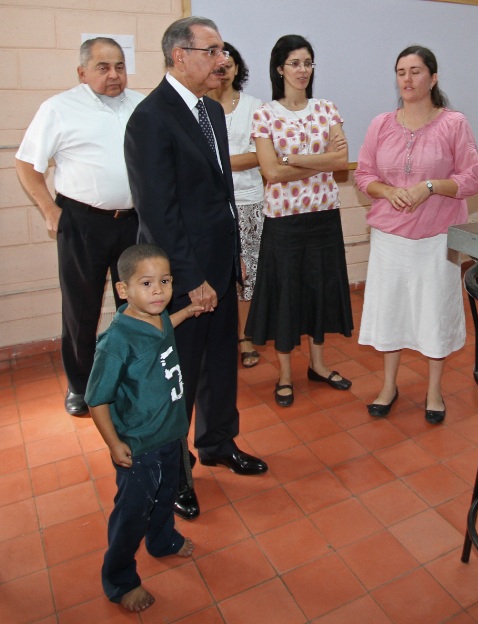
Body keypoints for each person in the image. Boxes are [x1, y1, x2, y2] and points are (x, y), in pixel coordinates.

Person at [124, 16, 267, 522]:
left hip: (218, 263)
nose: (222, 61)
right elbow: (158, 213)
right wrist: (191, 279)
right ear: (179, 55)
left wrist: (232, 258)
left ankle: (217, 443)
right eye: (212, 51)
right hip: (182, 276)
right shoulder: (150, 118)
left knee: (221, 361)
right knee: (178, 377)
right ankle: (176, 470)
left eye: (223, 51)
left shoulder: (210, 110)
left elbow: (219, 194)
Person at [15, 37, 144, 417]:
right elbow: (26, 164)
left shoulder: (140, 106)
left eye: (119, 66)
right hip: (82, 222)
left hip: (134, 221)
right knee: (81, 308)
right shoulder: (59, 109)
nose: (113, 74)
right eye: (103, 67)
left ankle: (133, 377)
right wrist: (49, 210)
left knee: (136, 303)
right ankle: (80, 385)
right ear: (82, 72)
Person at [354, 45, 478, 424]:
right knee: (390, 310)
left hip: (437, 240)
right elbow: (363, 175)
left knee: (434, 312)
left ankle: (434, 391)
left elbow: (472, 179)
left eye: (415, 71)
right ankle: (388, 386)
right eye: (401, 72)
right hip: (390, 240)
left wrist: (430, 186)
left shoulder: (454, 124)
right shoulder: (381, 124)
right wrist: (386, 191)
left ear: (433, 77)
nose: (407, 79)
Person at [85, 243, 201, 612]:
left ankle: (162, 540)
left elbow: (166, 328)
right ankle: (120, 579)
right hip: (139, 446)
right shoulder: (116, 341)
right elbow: (96, 399)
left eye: (165, 281)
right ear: (123, 290)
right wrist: (113, 443)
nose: (158, 291)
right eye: (147, 283)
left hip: (171, 435)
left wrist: (188, 311)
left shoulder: (158, 316)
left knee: (165, 496)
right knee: (132, 514)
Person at [248, 34, 353, 408]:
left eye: (308, 62)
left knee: (319, 291)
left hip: (324, 217)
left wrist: (291, 159)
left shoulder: (327, 109)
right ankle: (285, 374)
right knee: (287, 295)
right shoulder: (265, 114)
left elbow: (340, 162)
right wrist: (317, 161)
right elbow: (271, 173)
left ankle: (318, 365)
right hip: (284, 222)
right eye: (294, 63)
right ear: (279, 68)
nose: (302, 70)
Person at [207, 42, 264, 369]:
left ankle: (244, 338)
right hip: (209, 206)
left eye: (228, 65)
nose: (222, 71)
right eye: (216, 65)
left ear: (237, 69)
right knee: (215, 273)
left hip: (248, 203)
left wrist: (214, 162)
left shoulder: (255, 107)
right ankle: (218, 338)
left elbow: (260, 156)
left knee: (247, 276)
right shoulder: (198, 106)